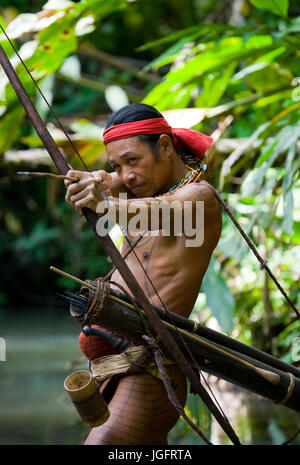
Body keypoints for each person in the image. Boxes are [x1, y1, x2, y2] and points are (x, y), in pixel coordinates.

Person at [64, 103, 222, 445]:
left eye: (133, 160)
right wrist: (91, 182)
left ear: (164, 146)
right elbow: (107, 185)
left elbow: (159, 213)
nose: (127, 175)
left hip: (152, 365)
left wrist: (103, 202)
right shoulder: (136, 189)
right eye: (117, 165)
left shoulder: (199, 199)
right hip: (116, 364)